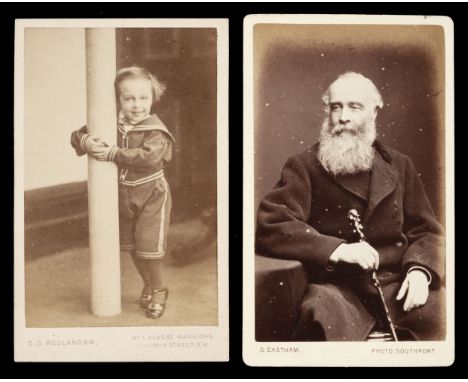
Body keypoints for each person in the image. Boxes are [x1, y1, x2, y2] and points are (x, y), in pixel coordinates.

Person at [256, 72, 445, 341]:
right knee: (320, 316)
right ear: (327, 112)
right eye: (336, 106)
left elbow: (427, 231)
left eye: (355, 107)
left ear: (374, 112)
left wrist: (420, 271)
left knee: (441, 314)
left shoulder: (400, 165)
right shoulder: (304, 165)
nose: (343, 116)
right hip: (334, 287)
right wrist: (338, 249)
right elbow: (271, 224)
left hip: (395, 282)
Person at [71, 67, 175, 319]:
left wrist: (113, 153)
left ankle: (160, 288)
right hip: (125, 196)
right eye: (128, 99)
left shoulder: (155, 129)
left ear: (152, 99)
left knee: (150, 246)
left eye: (143, 98)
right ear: (118, 100)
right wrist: (85, 141)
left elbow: (149, 157)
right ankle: (148, 283)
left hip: (152, 194)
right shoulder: (111, 123)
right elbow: (77, 135)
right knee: (132, 246)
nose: (136, 105)